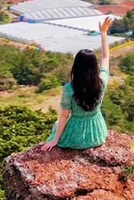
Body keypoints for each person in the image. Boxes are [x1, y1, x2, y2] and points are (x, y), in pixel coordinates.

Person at [40, 17, 113, 151]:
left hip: (74, 137)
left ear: (76, 66)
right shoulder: (101, 82)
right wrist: (103, 33)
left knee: (57, 124)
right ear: (94, 67)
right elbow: (105, 57)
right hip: (97, 135)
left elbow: (64, 116)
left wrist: (55, 139)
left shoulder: (69, 88)